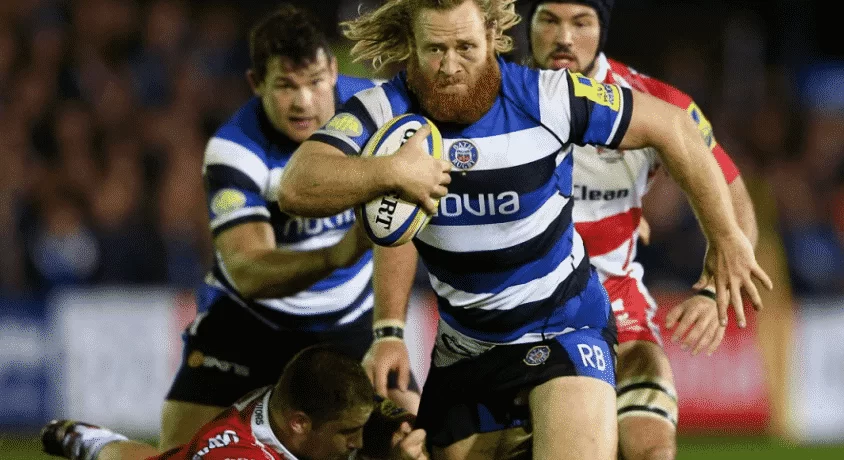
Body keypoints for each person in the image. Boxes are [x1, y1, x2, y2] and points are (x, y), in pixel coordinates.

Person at [275, 1, 772, 459]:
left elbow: (675, 127)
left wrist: (725, 237)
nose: (449, 66)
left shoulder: (547, 97)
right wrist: (390, 173)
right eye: (435, 49)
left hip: (564, 325)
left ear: (493, 36)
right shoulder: (384, 113)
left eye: (465, 47)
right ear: (412, 44)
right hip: (466, 344)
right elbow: (297, 185)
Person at [160, 4, 419, 452]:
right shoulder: (236, 149)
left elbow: (405, 219)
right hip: (249, 326)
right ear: (256, 83)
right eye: (285, 85)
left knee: (413, 442)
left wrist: (390, 330)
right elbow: (249, 270)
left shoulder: (378, 112)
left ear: (334, 70)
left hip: (348, 323)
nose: (303, 102)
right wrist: (337, 254)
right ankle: (92, 441)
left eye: (315, 81)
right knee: (179, 454)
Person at [525, 1, 759, 459]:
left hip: (613, 303)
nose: (564, 37)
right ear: (527, 25)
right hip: (515, 308)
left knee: (652, 449)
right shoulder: (492, 99)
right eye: (549, 20)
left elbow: (734, 196)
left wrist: (716, 287)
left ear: (602, 28)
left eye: (581, 22)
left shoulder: (657, 105)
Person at [41, 345, 428, 460]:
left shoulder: (343, 404)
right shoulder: (236, 455)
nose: (358, 441)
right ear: (299, 423)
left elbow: (419, 431)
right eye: (349, 433)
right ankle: (88, 441)